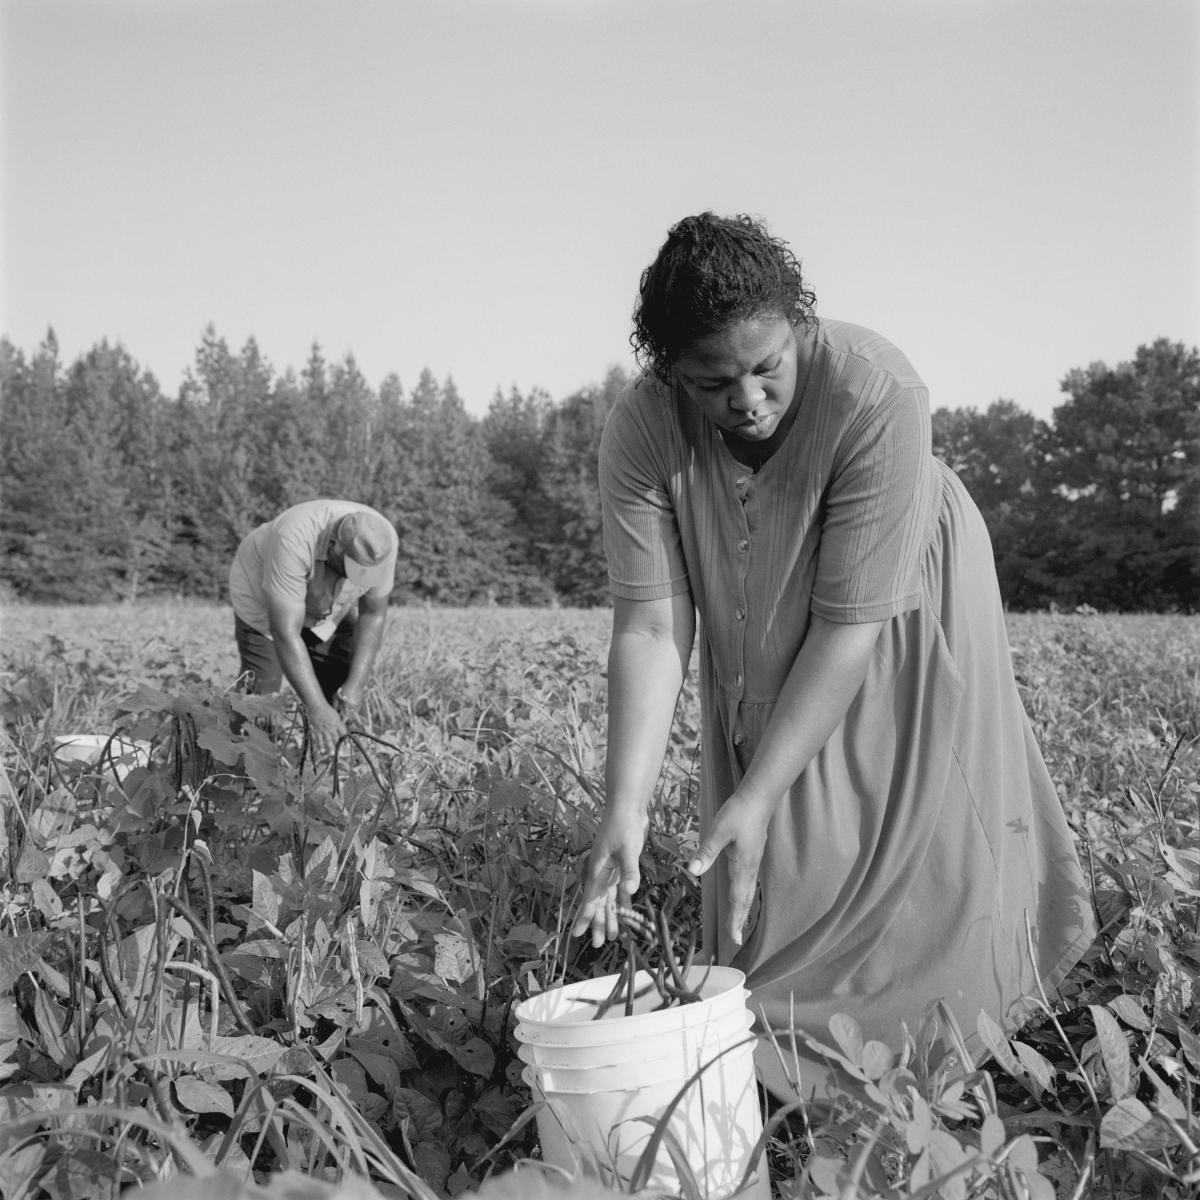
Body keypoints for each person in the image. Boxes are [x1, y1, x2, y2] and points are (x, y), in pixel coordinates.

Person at [572, 212, 1096, 1098]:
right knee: (765, 811)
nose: (744, 400)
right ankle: (782, 1030)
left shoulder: (876, 392)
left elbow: (850, 626)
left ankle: (936, 1007)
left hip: (902, 580)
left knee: (893, 785)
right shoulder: (643, 431)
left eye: (767, 366)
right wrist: (624, 808)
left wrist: (759, 793)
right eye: (711, 382)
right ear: (670, 373)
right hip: (753, 565)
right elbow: (655, 628)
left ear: (801, 329)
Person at [228, 499, 398, 754]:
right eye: (354, 569)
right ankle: (239, 763)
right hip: (264, 598)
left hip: (327, 603)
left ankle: (322, 757)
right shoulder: (294, 537)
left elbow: (373, 613)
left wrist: (355, 686)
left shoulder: (383, 543)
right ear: (333, 546)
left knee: (343, 669)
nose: (361, 578)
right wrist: (317, 709)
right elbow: (285, 632)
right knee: (261, 695)